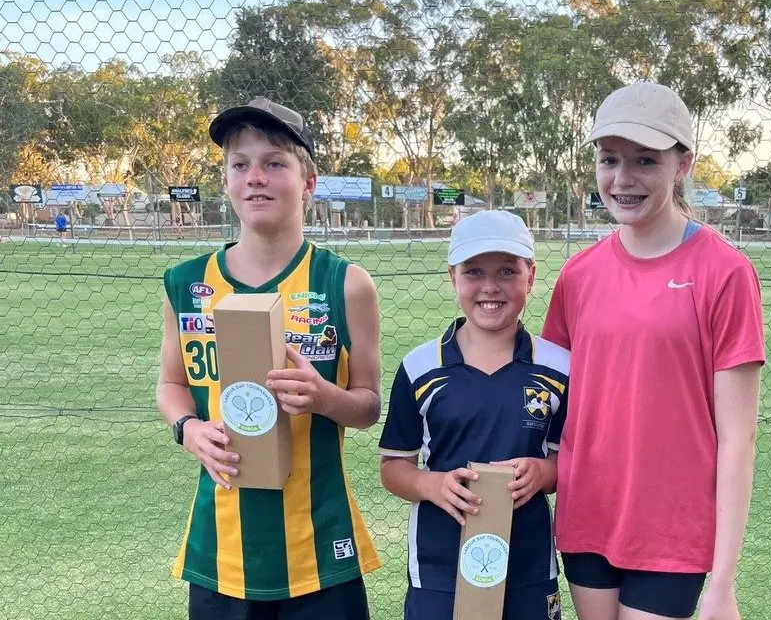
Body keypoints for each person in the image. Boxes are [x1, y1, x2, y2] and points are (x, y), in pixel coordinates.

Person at [542, 82, 766, 620]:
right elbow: (548, 401)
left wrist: (724, 581)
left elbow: (738, 437)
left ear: (682, 164)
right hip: (587, 520)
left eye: (645, 160)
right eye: (609, 160)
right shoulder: (578, 275)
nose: (622, 179)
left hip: (672, 531)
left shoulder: (725, 273)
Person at [156, 97, 382, 620]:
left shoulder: (346, 284)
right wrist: (188, 428)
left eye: (274, 163)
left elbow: (369, 406)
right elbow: (171, 385)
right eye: (240, 164)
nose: (255, 177)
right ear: (227, 181)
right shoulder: (187, 283)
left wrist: (325, 397)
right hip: (224, 549)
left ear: (308, 182)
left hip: (320, 545)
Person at [379, 210, 569, 620]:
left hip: (528, 565)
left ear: (531, 276)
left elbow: (568, 461)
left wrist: (543, 473)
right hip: (438, 567)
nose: (490, 287)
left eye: (506, 271)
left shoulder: (559, 368)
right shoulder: (420, 367)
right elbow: (394, 467)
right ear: (453, 278)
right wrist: (433, 486)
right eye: (474, 272)